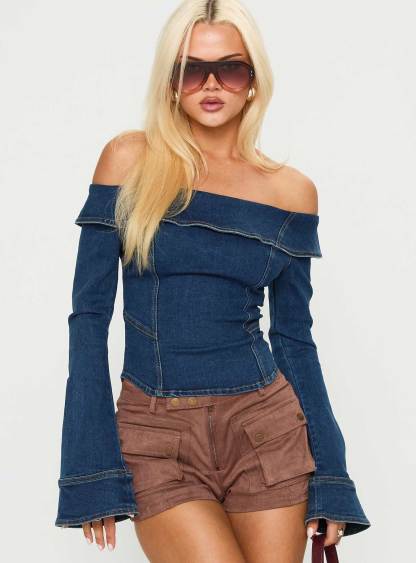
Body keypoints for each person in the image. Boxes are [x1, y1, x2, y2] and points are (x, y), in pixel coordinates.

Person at [55, 1, 370, 561]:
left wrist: (331, 477)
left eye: (230, 69)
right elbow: (89, 318)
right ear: (170, 81)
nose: (211, 85)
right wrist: (90, 465)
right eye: (191, 70)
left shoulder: (291, 192)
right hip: (157, 435)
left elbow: (294, 340)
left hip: (266, 429)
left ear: (253, 81)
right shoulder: (129, 160)